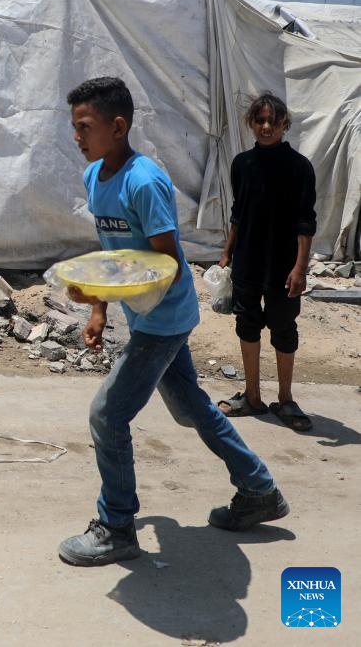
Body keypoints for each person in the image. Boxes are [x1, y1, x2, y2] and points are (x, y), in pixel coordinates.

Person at [57, 77, 287, 568]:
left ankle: (117, 527)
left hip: (164, 319)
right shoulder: (94, 176)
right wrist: (98, 306)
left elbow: (169, 265)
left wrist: (103, 292)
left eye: (85, 127)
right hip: (145, 315)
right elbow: (113, 253)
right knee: (191, 408)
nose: (76, 137)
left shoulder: (144, 182)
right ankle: (259, 489)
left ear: (118, 127)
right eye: (74, 127)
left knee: (107, 415)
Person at [216, 93, 316, 432]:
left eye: (273, 120)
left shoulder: (300, 167)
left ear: (285, 123)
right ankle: (253, 397)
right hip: (248, 261)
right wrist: (227, 252)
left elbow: (306, 222)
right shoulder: (242, 164)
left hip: (284, 265)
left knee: (284, 329)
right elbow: (238, 214)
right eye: (260, 120)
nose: (266, 126)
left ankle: (285, 399)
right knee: (247, 324)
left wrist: (300, 268)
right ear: (251, 123)